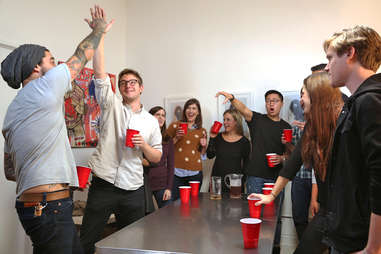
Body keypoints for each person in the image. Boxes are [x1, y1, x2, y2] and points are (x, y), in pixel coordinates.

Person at [1, 5, 110, 254]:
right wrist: (100, 29)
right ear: (36, 68)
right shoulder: (45, 87)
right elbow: (81, 55)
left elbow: (10, 170)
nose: (57, 64)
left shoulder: (12, 112)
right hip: (49, 207)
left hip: (38, 207)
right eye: (51, 60)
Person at [79, 15, 162, 254]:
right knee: (87, 241)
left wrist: (144, 146)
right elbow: (100, 73)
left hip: (133, 188)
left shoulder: (150, 122)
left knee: (133, 244)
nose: (128, 85)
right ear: (121, 88)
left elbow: (156, 157)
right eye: (124, 82)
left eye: (133, 81)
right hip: (103, 184)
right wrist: (100, 34)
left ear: (141, 87)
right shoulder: (111, 105)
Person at [250, 72, 344, 254]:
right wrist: (272, 195)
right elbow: (293, 163)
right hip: (328, 211)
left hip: (348, 212)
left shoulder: (343, 121)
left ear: (317, 95)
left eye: (303, 94)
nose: (300, 100)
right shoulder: (312, 126)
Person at [322, 25, 381, 254]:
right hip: (350, 236)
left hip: (361, 242)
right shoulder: (357, 102)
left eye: (330, 58)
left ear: (350, 53)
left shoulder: (370, 101)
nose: (327, 67)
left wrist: (373, 247)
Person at [216, 90, 291, 194]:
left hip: (277, 179)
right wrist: (232, 98)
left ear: (282, 104)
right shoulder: (257, 119)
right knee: (254, 209)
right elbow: (243, 109)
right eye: (268, 101)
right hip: (256, 177)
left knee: (275, 210)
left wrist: (282, 158)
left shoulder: (286, 127)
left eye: (275, 101)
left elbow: (290, 155)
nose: (271, 103)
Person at [166, 98, 207, 201]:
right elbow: (164, 147)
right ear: (184, 111)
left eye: (194, 108)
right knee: (175, 204)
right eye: (188, 108)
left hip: (195, 173)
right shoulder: (175, 126)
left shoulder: (202, 131)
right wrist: (176, 138)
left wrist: (204, 146)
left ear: (198, 112)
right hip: (176, 173)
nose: (191, 111)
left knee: (193, 203)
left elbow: (202, 155)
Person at [206, 109, 250, 193]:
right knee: (214, 205)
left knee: (235, 206)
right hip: (217, 181)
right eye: (224, 119)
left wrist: (241, 183)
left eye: (228, 120)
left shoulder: (244, 142)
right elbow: (210, 155)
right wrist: (212, 137)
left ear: (236, 122)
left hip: (235, 183)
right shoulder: (218, 137)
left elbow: (246, 165)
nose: (225, 123)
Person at [143, 106, 174, 208]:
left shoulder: (167, 139)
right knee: (144, 218)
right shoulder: (142, 136)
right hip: (143, 183)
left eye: (163, 115)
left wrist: (168, 188)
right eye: (157, 115)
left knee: (168, 215)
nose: (161, 118)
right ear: (150, 117)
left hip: (161, 183)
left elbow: (171, 165)